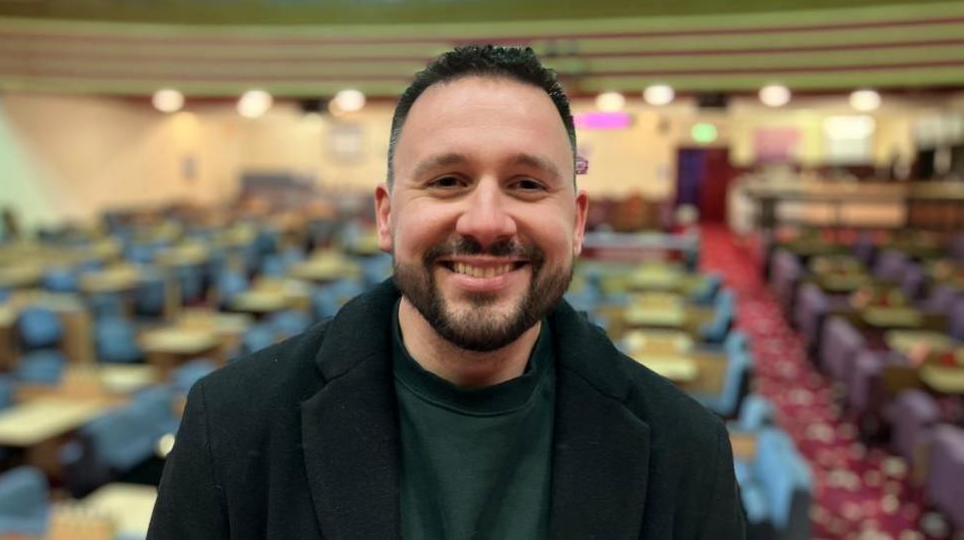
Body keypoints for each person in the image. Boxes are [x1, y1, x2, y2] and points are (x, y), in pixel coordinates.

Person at [147, 45, 746, 539]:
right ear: (386, 217)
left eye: (527, 183)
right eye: (447, 181)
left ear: (579, 222)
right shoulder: (230, 426)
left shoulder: (686, 449)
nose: (486, 222)